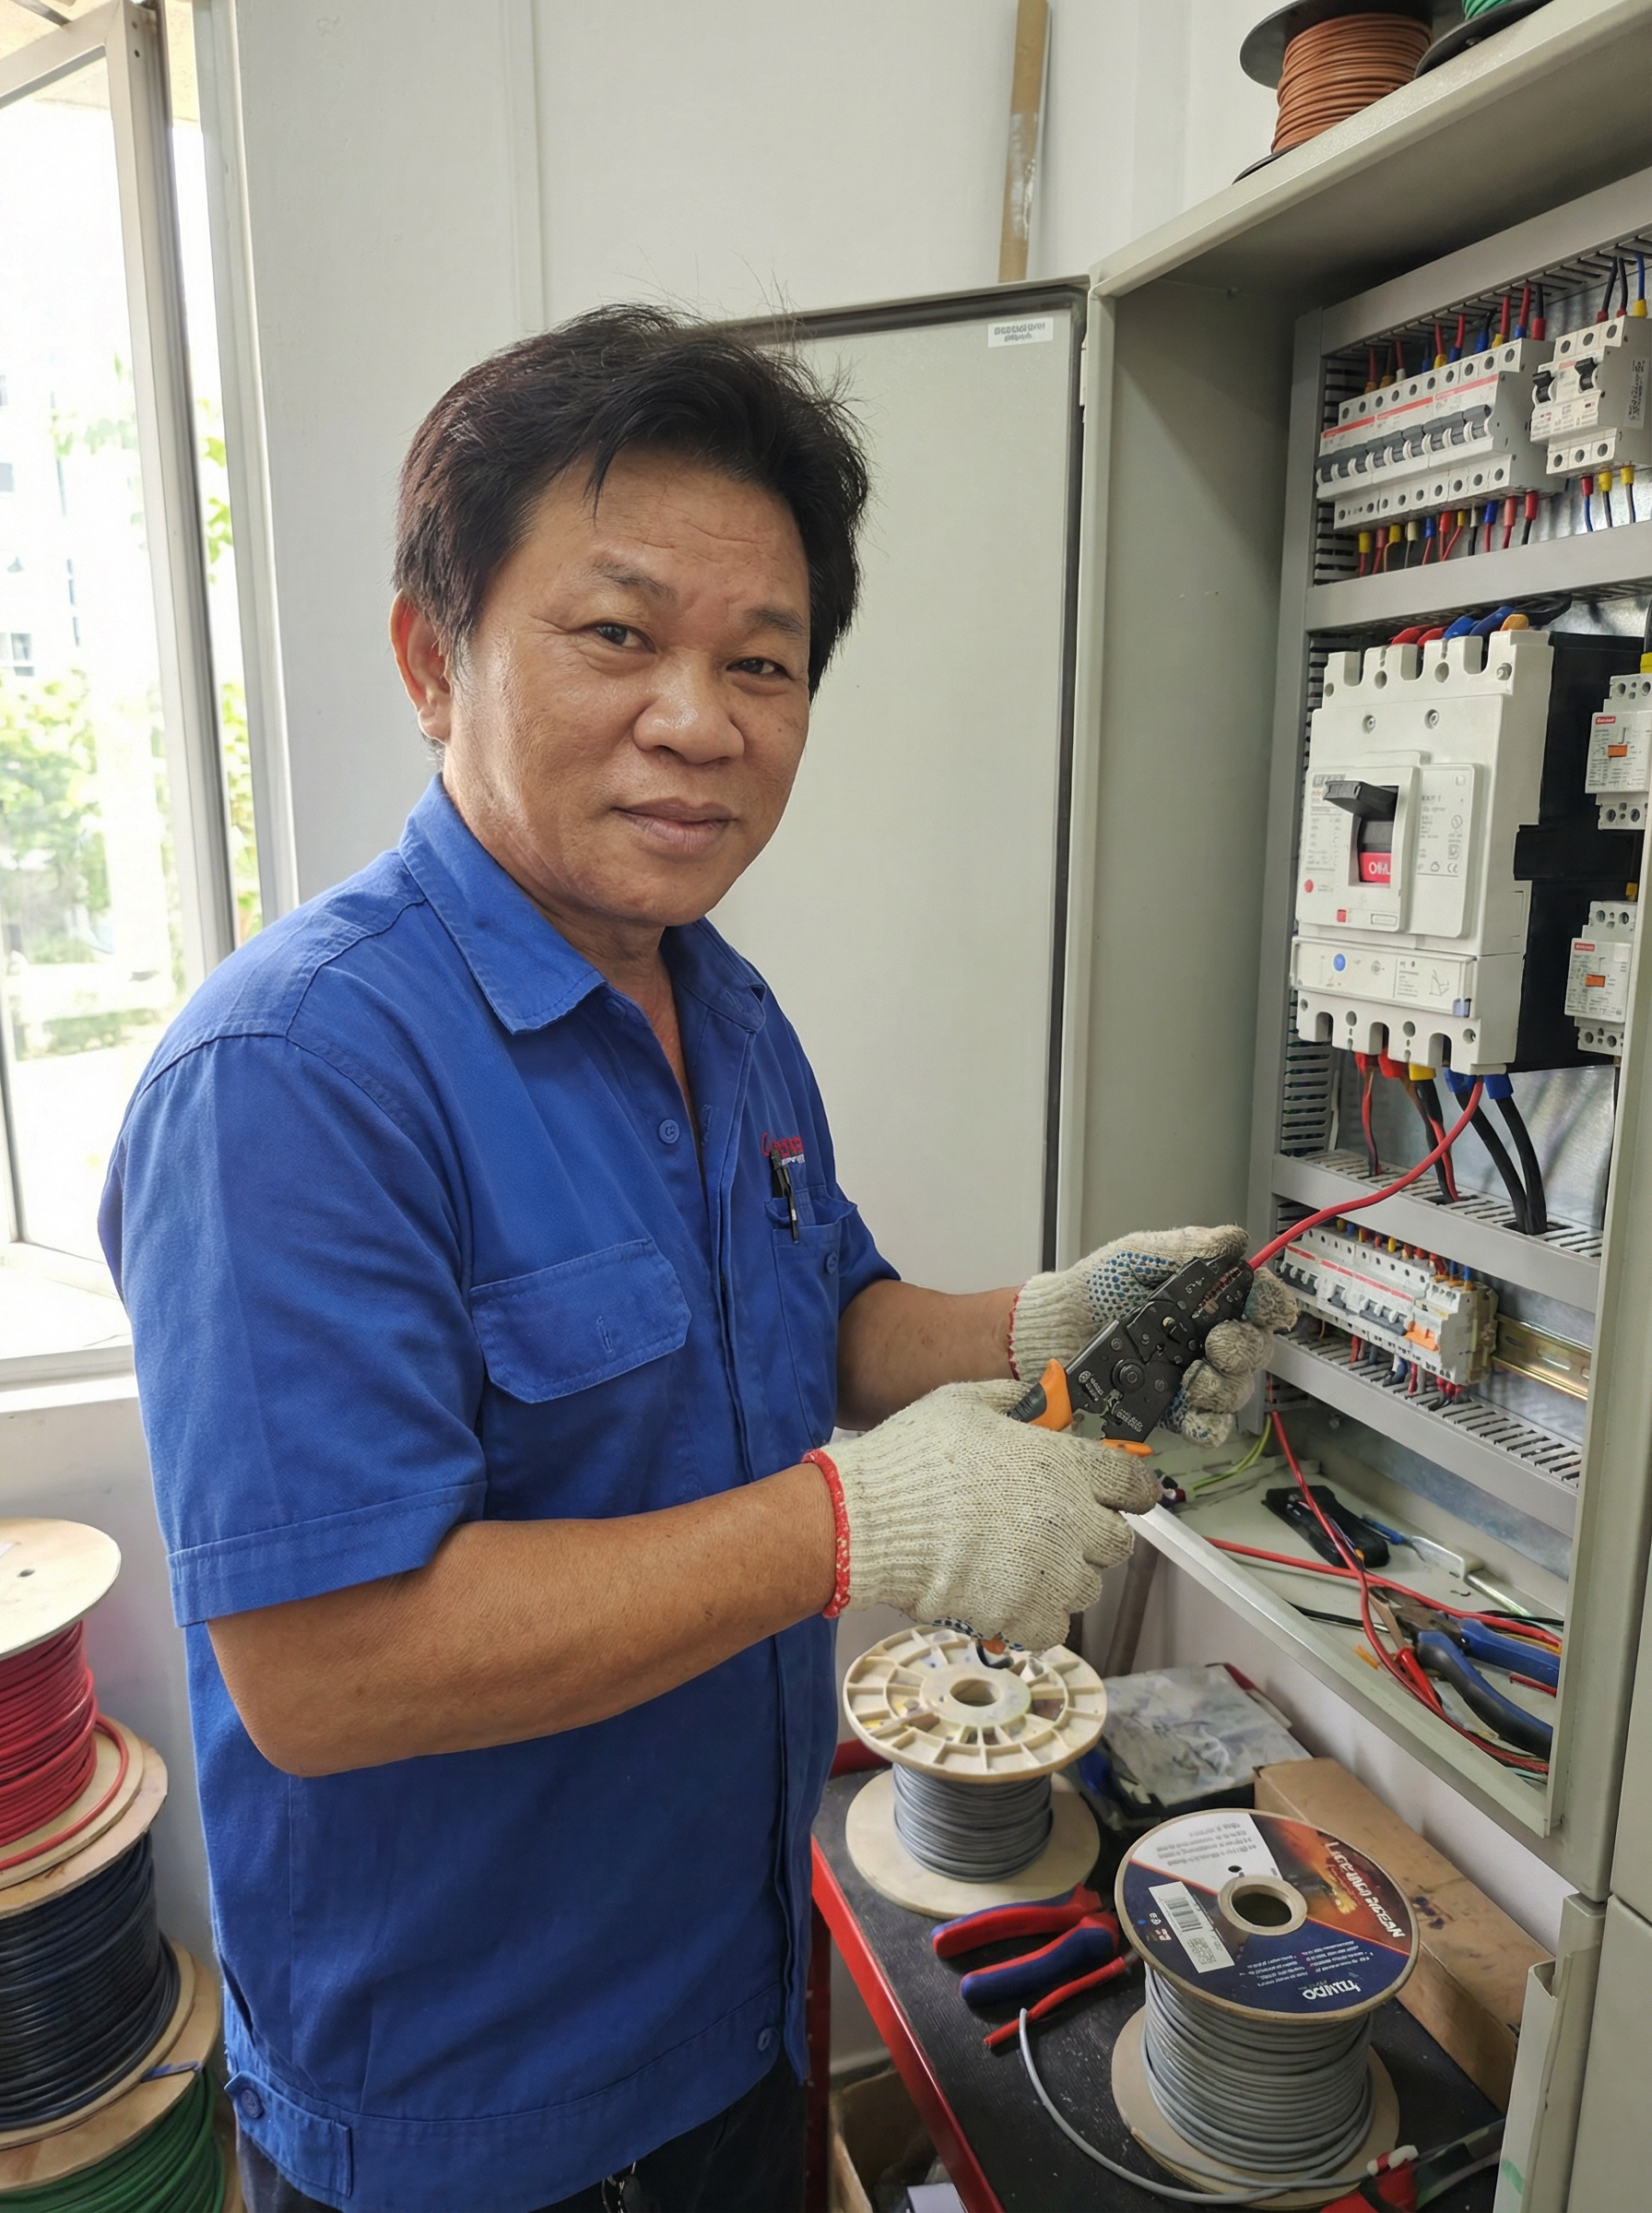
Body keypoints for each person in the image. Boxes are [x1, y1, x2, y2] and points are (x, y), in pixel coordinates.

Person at [100, 307, 1292, 2213]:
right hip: (468, 2120)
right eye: (617, 635)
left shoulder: (719, 1011)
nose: (701, 718)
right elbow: (324, 1670)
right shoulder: (293, 1079)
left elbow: (820, 1318)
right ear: (433, 656)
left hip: (740, 1997)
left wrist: (1046, 1318)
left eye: (765, 661)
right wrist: (854, 1533)